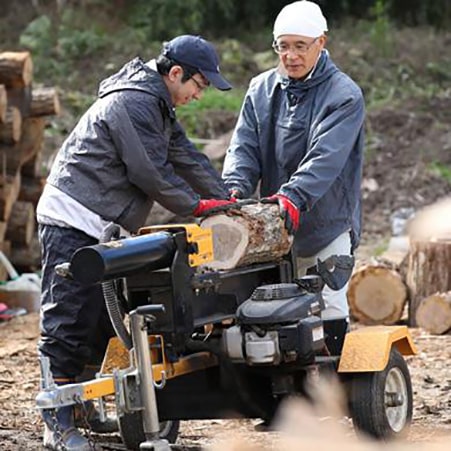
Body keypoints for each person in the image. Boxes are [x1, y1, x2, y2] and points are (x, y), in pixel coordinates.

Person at [36, 34, 235, 450]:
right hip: (73, 216)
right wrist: (199, 207)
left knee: (98, 321)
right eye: (198, 85)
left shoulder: (158, 106)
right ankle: (57, 420)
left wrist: (229, 202)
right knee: (68, 319)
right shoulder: (132, 102)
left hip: (102, 223)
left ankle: (83, 406)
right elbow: (151, 173)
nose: (199, 95)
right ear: (175, 73)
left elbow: (186, 157)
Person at [222, 1, 365, 355]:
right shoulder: (260, 89)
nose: (291, 55)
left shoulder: (344, 95)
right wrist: (234, 189)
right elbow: (244, 148)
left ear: (322, 42)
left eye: (300, 46)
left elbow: (325, 158)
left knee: (328, 304)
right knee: (273, 311)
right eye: (283, 46)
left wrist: (294, 196)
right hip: (272, 228)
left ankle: (331, 391)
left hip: (325, 223)